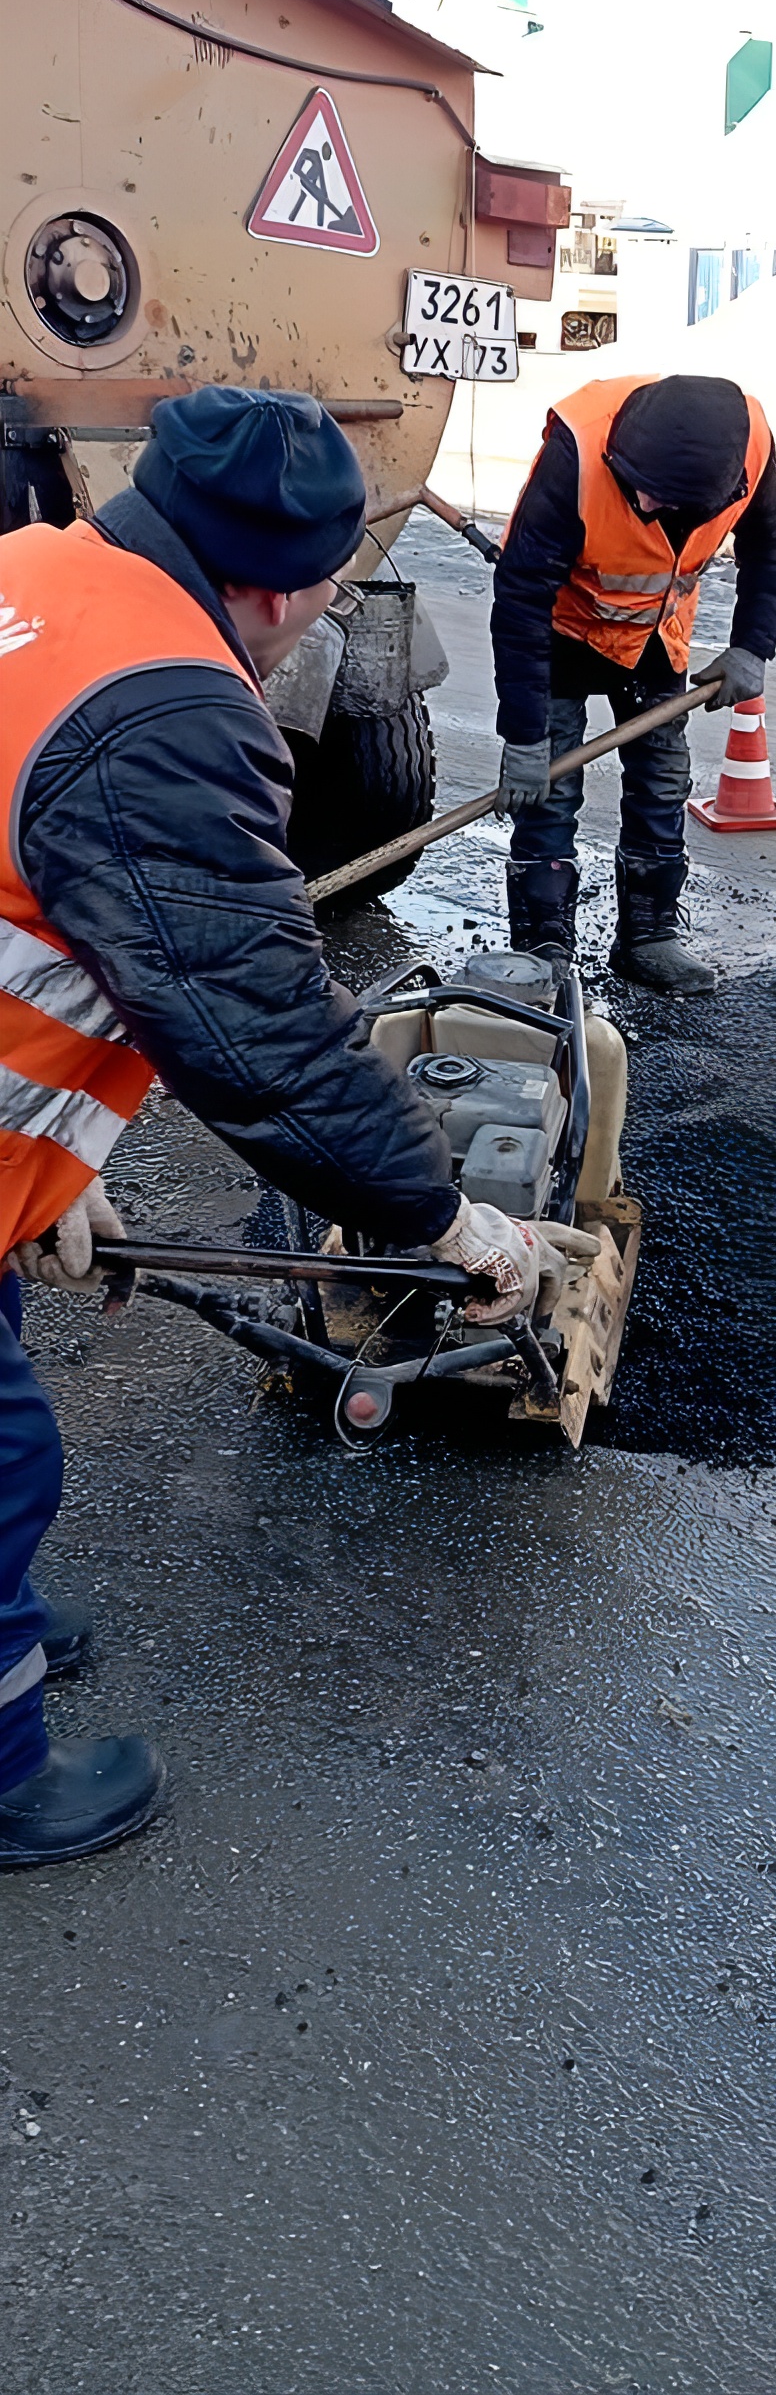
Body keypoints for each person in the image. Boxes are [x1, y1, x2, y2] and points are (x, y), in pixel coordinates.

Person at [0, 387, 566, 1870]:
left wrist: (52, 1176)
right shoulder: (170, 707)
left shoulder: (40, 571)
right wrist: (442, 1220)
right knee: (2, 1458)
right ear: (277, 584)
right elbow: (259, 1044)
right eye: (327, 582)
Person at [491, 372, 776, 995]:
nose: (647, 507)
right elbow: (520, 596)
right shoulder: (576, 451)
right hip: (560, 631)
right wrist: (523, 738)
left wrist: (750, 648)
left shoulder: (752, 447)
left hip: (656, 639)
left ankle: (648, 936)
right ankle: (543, 946)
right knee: (546, 789)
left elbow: (769, 542)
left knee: (661, 785)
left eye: (663, 500)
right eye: (640, 491)